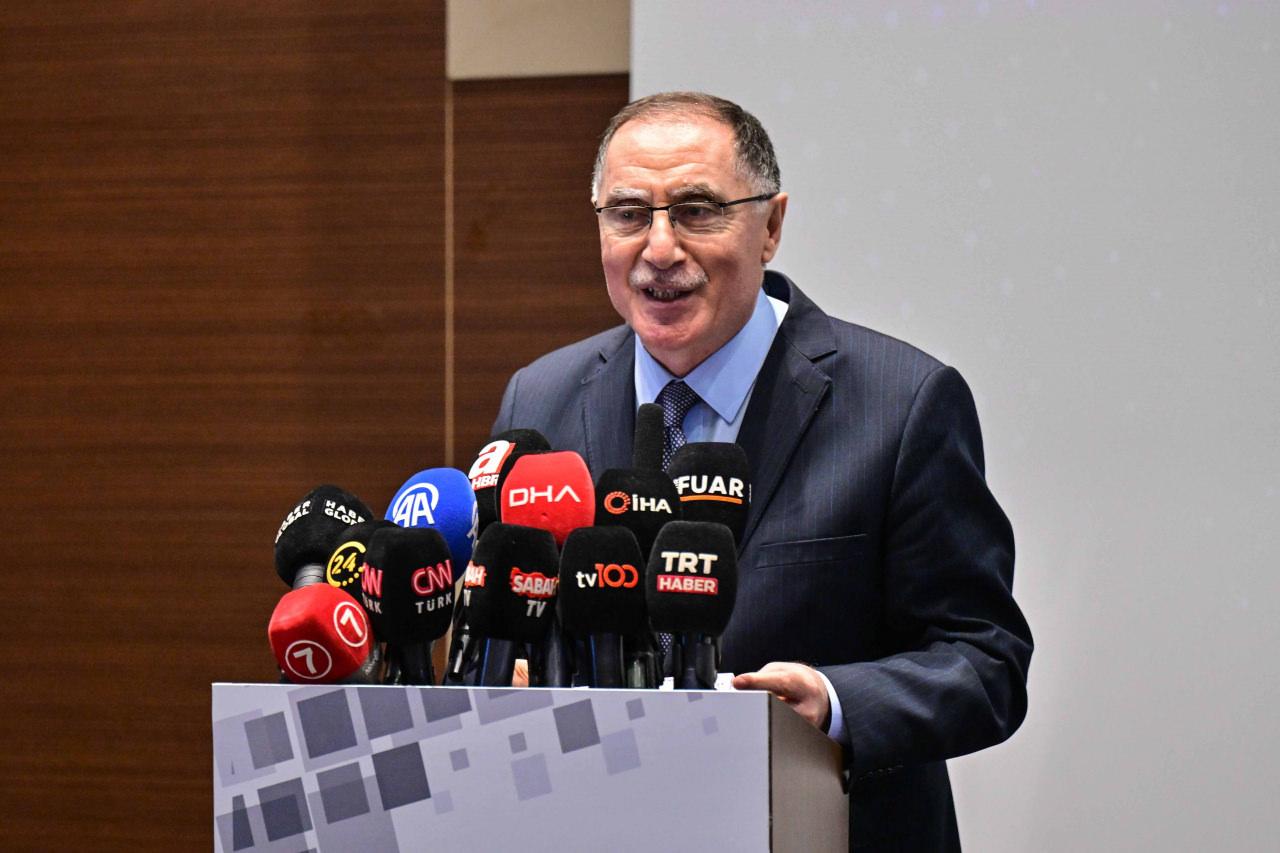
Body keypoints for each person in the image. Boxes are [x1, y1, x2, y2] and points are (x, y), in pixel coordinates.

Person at [492, 91, 1031, 851]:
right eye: (629, 214)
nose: (659, 248)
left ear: (771, 227)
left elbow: (985, 662)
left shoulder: (902, 402)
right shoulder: (541, 398)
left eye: (697, 211)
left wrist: (833, 702)